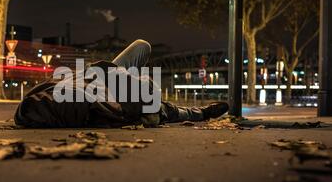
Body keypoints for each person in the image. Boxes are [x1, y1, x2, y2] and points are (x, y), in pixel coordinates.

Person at [15, 40, 229, 128]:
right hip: (109, 86)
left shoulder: (37, 104)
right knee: (161, 106)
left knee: (155, 99)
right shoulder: (43, 104)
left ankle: (198, 113)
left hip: (102, 81)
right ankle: (200, 112)